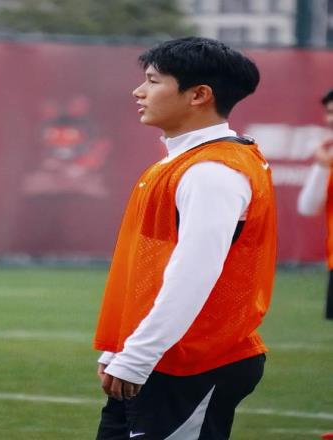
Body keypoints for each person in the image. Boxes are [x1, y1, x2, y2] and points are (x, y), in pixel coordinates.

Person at [93, 37, 277, 440]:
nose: (139, 91)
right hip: (162, 356)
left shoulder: (213, 171)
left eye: (153, 80)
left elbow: (194, 274)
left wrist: (138, 353)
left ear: (198, 95)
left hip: (193, 362)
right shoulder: (183, 162)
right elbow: (153, 272)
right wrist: (123, 346)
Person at [297, 89, 333, 320]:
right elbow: (308, 207)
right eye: (329, 112)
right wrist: (321, 166)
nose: (331, 118)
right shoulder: (328, 156)